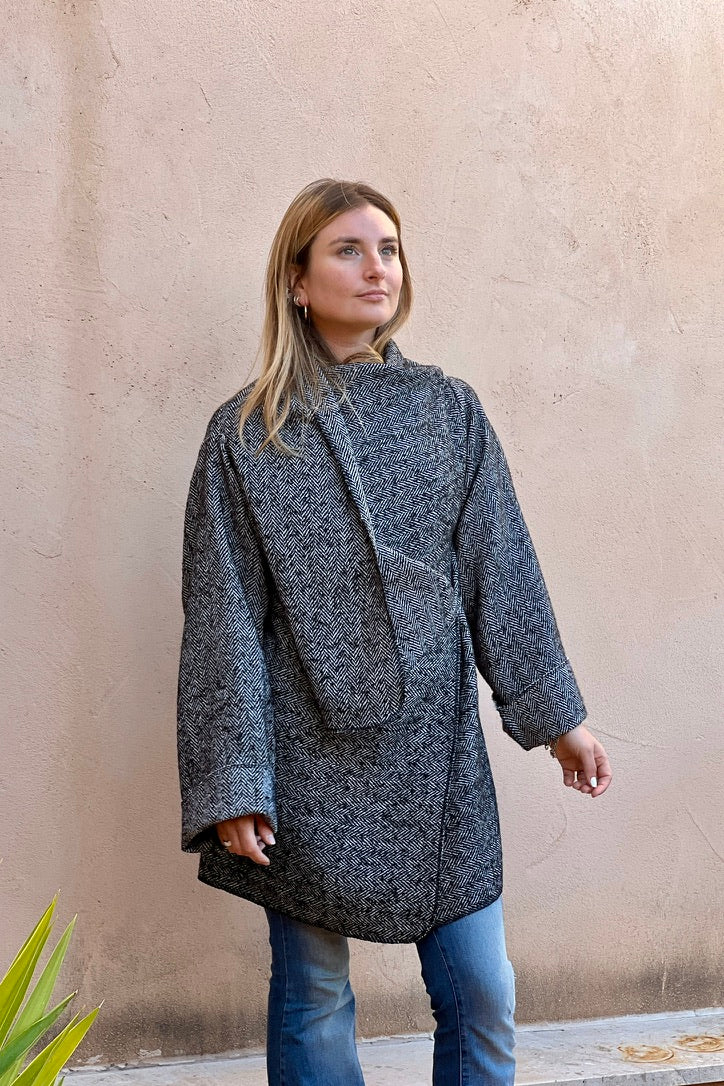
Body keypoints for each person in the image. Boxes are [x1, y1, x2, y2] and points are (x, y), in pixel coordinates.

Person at [176, 178, 613, 1086]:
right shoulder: (246, 435)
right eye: (348, 249)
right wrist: (234, 779)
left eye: (389, 248)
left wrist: (557, 719)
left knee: (482, 991)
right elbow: (224, 619)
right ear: (297, 281)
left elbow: (502, 570)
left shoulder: (448, 411)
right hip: (304, 758)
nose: (378, 267)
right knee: (313, 993)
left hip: (437, 758)